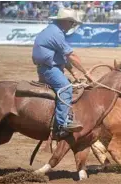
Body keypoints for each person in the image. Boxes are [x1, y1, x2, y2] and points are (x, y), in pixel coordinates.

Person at [32, 8, 93, 140]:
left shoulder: (53, 30)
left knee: (71, 86)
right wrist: (86, 72)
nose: (72, 26)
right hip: (49, 69)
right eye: (72, 23)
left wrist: (75, 74)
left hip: (49, 68)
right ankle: (62, 124)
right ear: (66, 21)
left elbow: (63, 58)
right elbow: (71, 55)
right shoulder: (56, 34)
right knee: (66, 88)